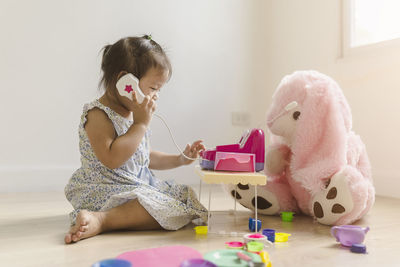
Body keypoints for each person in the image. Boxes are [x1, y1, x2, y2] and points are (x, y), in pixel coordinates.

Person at [64, 35, 207, 244]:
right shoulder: (97, 114)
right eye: (153, 88)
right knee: (164, 208)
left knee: (182, 199)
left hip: (134, 187)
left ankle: (118, 217)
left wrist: (180, 159)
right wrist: (140, 124)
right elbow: (112, 158)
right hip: (105, 189)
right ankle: (101, 219)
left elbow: (143, 157)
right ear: (126, 83)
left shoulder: (133, 114)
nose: (156, 96)